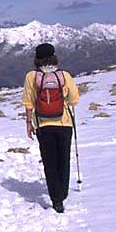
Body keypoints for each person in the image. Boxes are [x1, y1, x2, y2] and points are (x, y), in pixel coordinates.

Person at [22, 43, 79, 213]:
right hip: (65, 123)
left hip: (42, 124)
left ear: (37, 59)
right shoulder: (64, 75)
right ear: (54, 56)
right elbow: (74, 99)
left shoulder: (32, 76)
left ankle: (56, 199)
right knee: (64, 160)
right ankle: (62, 193)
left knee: (49, 162)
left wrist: (28, 123)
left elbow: (28, 101)